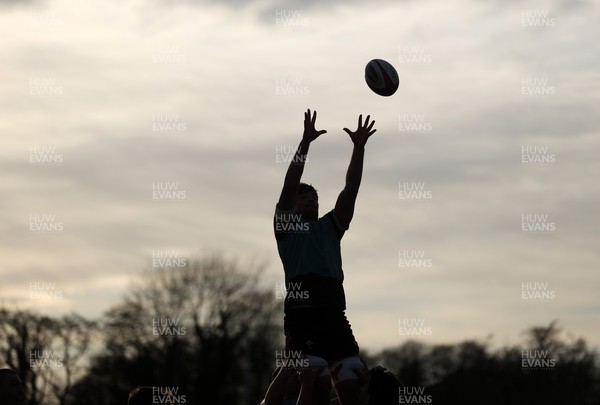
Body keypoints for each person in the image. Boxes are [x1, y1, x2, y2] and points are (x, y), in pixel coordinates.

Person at [274, 109, 377, 405]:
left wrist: (358, 149)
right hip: (302, 315)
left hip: (334, 313)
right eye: (305, 196)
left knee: (353, 385)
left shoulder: (331, 226)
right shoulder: (287, 227)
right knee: (314, 387)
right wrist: (305, 143)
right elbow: (290, 184)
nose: (311, 199)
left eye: (315, 196)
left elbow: (351, 188)